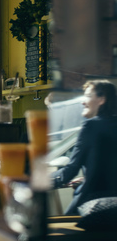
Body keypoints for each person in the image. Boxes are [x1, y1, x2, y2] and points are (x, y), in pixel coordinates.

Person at [51, 80, 117, 215]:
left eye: (88, 96)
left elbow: (71, 169)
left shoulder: (90, 126)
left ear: (101, 99)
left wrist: (46, 181)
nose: (83, 101)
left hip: (94, 205)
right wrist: (88, 177)